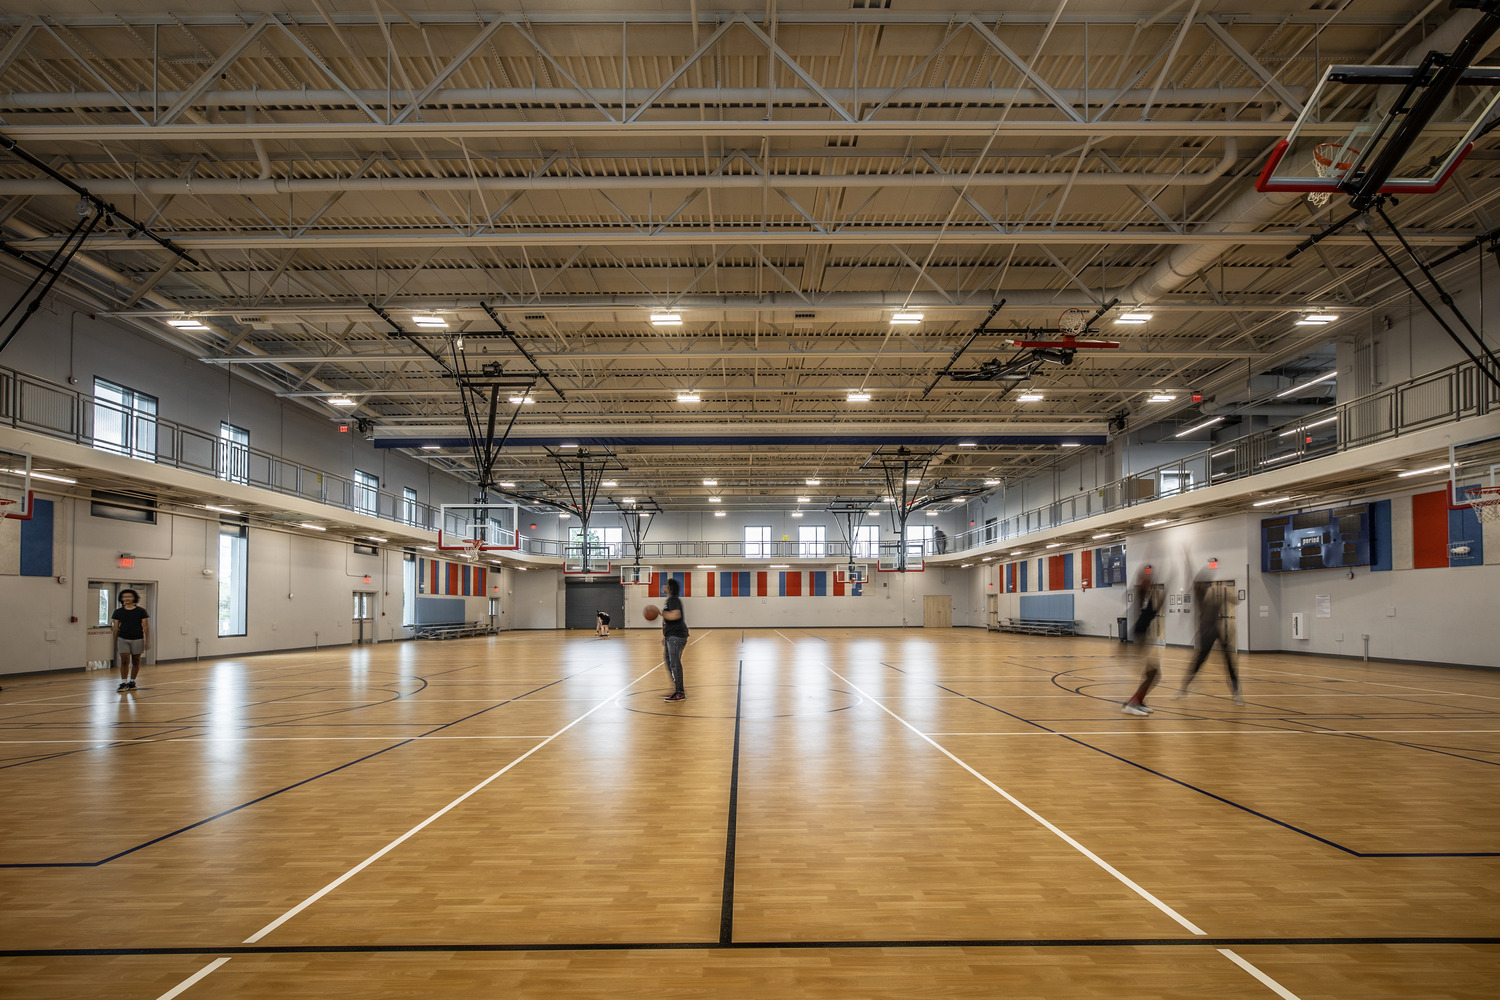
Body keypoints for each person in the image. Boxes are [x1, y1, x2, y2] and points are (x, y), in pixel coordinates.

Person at [1180, 568, 1243, 704]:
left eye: (1200, 585)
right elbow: (1193, 582)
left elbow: (1235, 600)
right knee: (1199, 660)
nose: (1198, 587)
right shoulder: (1200, 599)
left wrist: (1230, 595)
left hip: (1216, 631)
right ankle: (1184, 688)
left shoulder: (1214, 598)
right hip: (1205, 632)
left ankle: (1236, 692)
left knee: (1228, 660)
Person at [1122, 565, 1163, 716]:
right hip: (1140, 636)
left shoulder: (1148, 597)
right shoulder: (1141, 595)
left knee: (1153, 674)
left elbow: (1154, 611)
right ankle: (1133, 703)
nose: (1149, 581)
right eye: (1146, 580)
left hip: (1144, 636)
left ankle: (1138, 701)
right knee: (1153, 673)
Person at [111, 589, 150, 691]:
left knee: (136, 661)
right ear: (121, 598)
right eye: (124, 597)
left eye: (129, 596)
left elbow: (145, 627)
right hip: (123, 638)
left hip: (137, 638)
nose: (127, 598)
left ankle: (132, 681)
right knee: (124, 660)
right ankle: (124, 682)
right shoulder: (118, 612)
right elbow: (115, 628)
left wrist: (147, 640)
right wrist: (115, 641)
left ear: (134, 598)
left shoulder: (141, 611)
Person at [660, 577, 688, 702]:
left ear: (670, 587)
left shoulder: (673, 599)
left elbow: (675, 615)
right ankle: (677, 688)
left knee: (675, 663)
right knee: (670, 662)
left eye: (665, 584)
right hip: (671, 636)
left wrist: (658, 612)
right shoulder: (669, 600)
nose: (663, 586)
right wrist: (666, 636)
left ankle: (680, 692)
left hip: (676, 636)